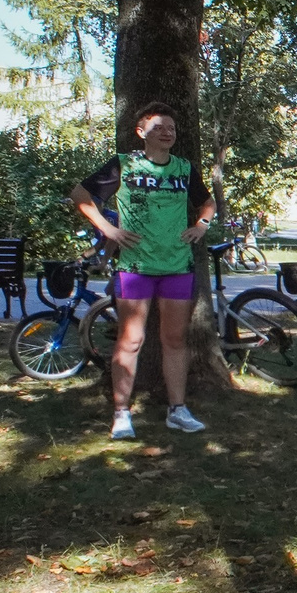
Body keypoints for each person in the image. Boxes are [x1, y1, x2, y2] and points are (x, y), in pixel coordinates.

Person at [72, 105, 213, 440]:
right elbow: (80, 195)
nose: (167, 132)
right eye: (159, 126)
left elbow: (207, 203)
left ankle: (177, 410)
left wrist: (202, 225)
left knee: (175, 339)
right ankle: (121, 413)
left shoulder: (183, 168)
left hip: (177, 265)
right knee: (131, 339)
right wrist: (108, 229)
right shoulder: (125, 164)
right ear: (141, 131)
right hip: (135, 267)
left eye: (172, 127)